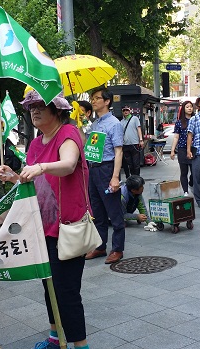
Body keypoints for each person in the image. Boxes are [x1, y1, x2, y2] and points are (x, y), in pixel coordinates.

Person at [0, 90, 90, 349]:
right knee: (49, 285)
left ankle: (81, 345)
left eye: (40, 106)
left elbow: (69, 164)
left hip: (67, 226)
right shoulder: (36, 143)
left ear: (57, 110)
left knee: (67, 291)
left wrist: (42, 167)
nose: (34, 111)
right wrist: (14, 176)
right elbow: (35, 181)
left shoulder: (68, 134)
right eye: (31, 107)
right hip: (42, 226)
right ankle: (54, 337)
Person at [84, 87, 125, 264]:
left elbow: (119, 151)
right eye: (92, 98)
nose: (93, 101)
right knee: (97, 211)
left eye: (97, 98)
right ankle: (100, 246)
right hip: (93, 170)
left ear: (107, 101)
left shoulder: (114, 123)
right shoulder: (95, 123)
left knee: (114, 211)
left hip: (107, 169)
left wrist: (115, 177)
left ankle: (117, 249)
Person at [170, 100, 195, 196]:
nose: (189, 108)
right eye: (187, 107)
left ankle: (191, 183)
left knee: (195, 171)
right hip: (182, 149)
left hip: (194, 149)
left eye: (191, 107)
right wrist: (172, 150)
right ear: (183, 109)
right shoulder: (179, 122)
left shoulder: (196, 120)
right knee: (184, 171)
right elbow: (176, 137)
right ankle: (185, 191)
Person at [120, 106, 144, 178]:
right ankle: (132, 178)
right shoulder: (121, 122)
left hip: (135, 143)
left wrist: (141, 140)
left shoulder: (135, 119)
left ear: (130, 111)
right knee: (129, 163)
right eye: (124, 110)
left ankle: (137, 178)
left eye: (127, 110)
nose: (125, 112)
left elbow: (138, 129)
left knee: (136, 163)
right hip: (125, 145)